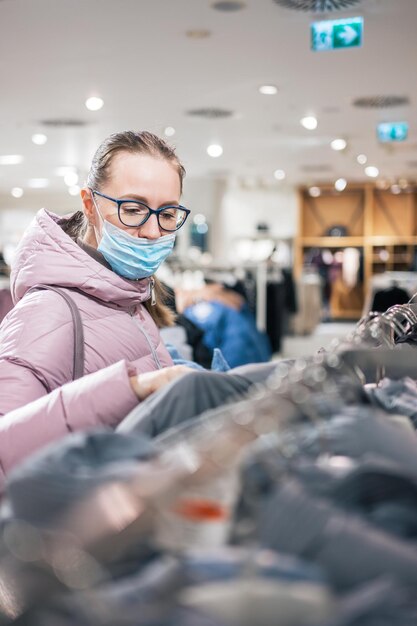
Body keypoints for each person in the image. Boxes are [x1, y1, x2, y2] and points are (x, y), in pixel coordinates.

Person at [0, 131, 195, 483]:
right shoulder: (48, 311)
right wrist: (127, 389)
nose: (153, 231)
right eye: (133, 209)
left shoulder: (129, 298)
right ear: (90, 205)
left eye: (167, 214)